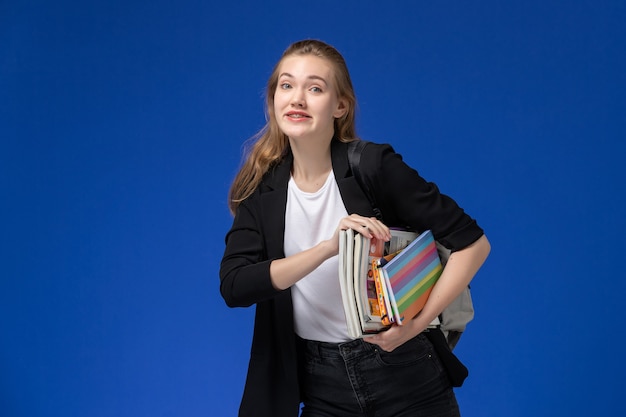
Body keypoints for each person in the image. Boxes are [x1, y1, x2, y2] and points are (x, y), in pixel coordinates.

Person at [219, 39, 491, 417]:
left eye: (314, 88)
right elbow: (235, 286)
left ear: (340, 105)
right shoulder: (261, 189)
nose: (297, 98)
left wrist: (414, 327)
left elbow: (473, 245)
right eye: (286, 85)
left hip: (405, 372)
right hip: (321, 382)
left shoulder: (373, 166)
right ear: (273, 99)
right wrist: (329, 247)